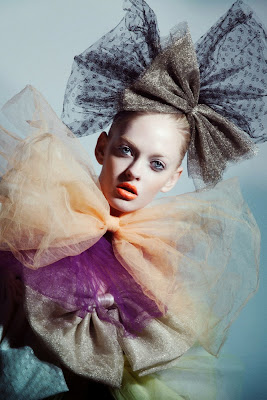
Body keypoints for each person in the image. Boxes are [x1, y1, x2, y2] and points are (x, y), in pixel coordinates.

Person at [0, 0, 265, 399]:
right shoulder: (40, 215)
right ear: (102, 147)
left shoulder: (159, 258)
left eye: (157, 164)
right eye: (126, 150)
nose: (135, 172)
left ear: (174, 178)